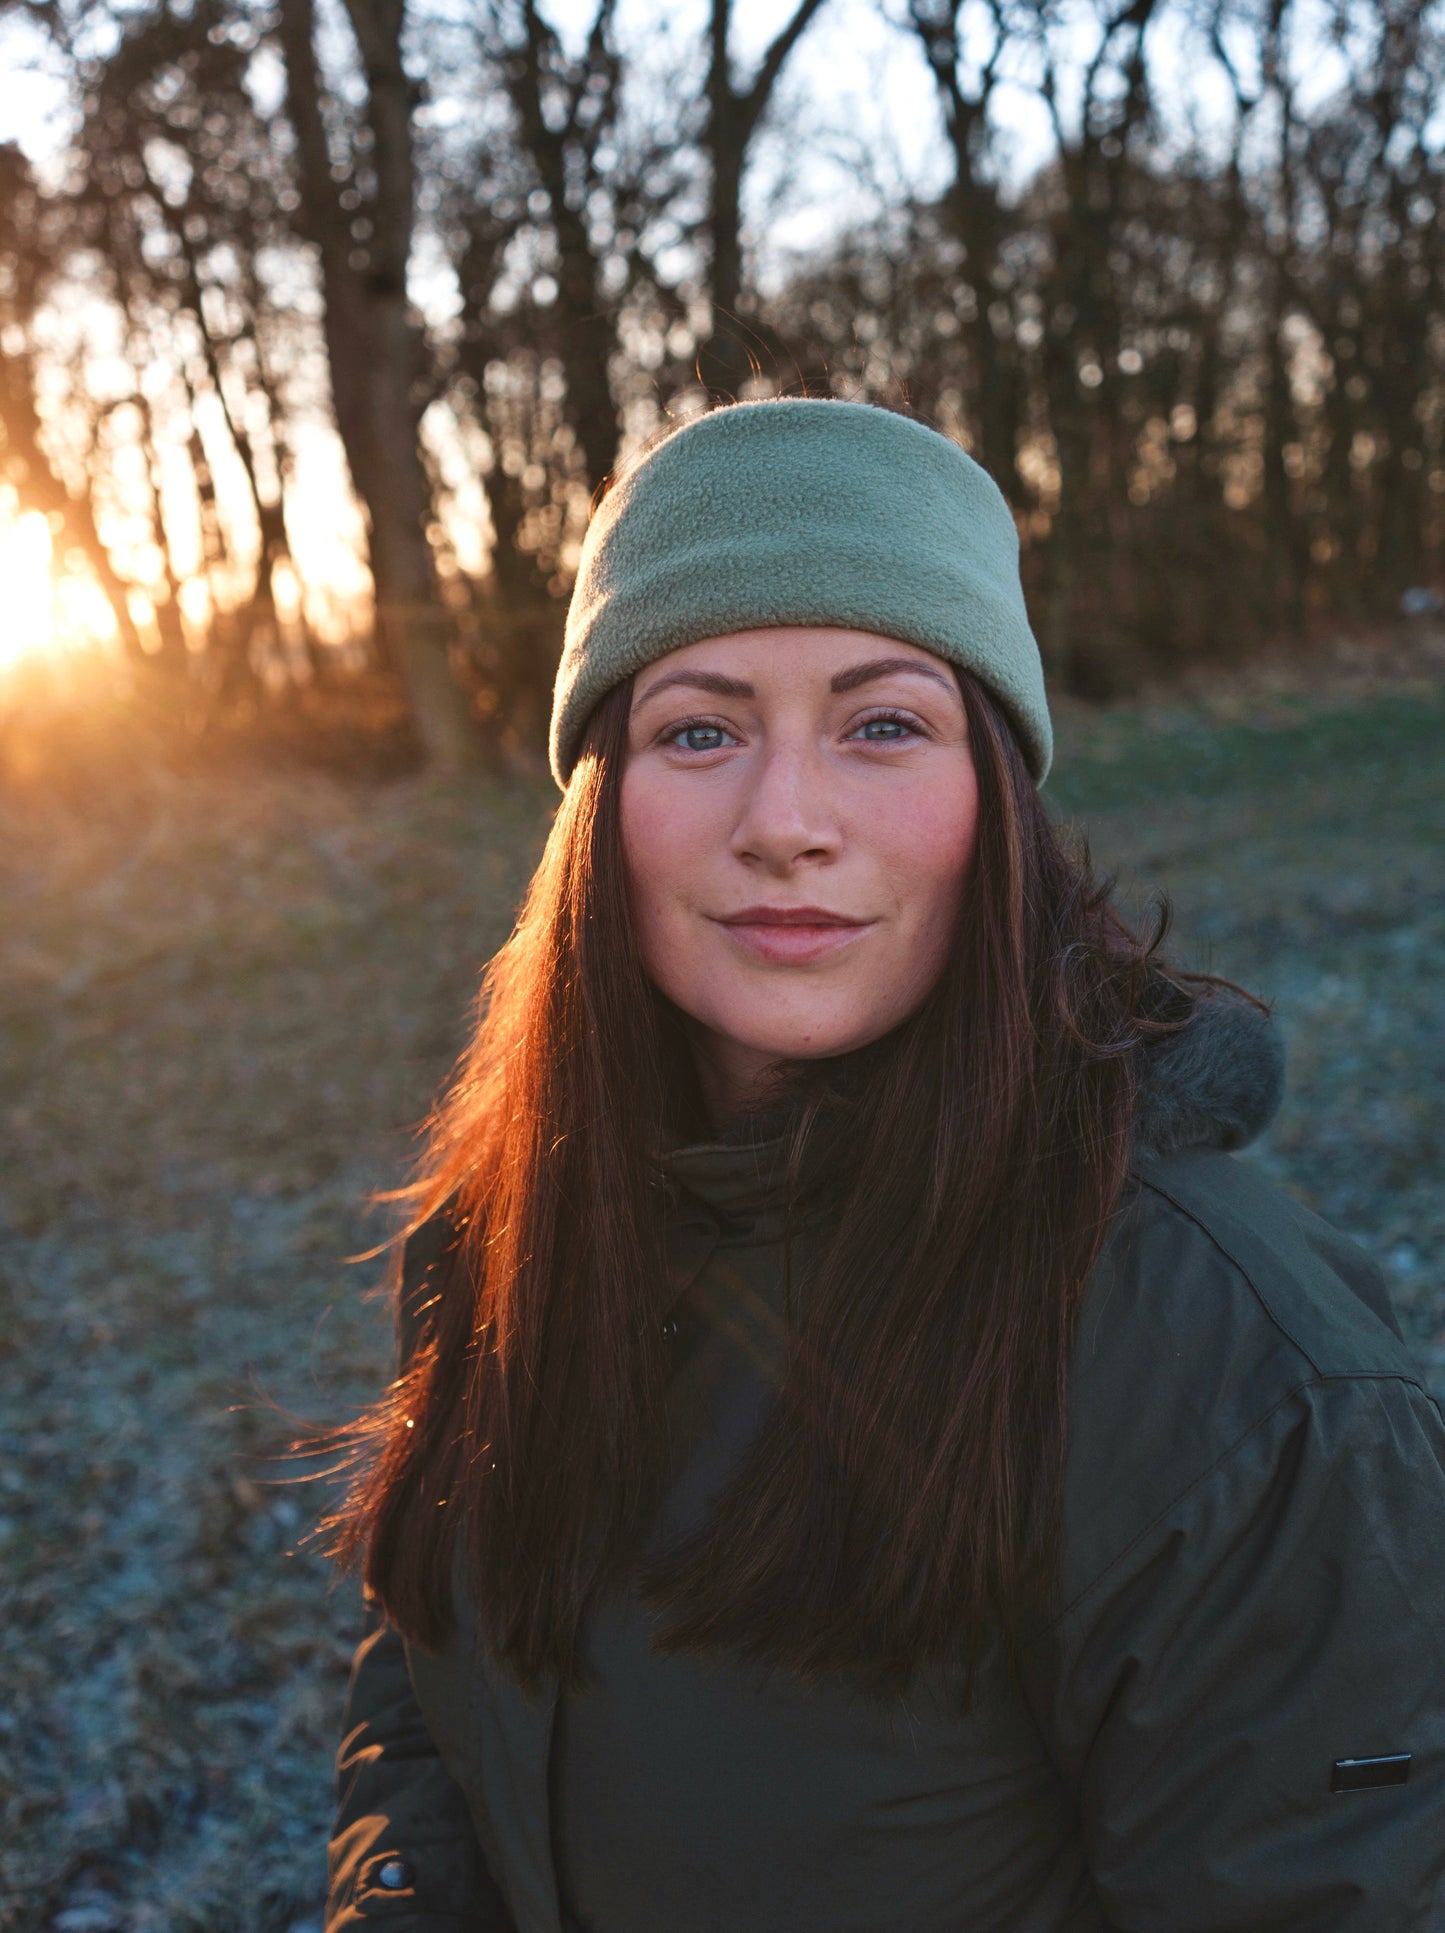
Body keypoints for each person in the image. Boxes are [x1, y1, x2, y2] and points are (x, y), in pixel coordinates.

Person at [323, 400, 1445, 1932]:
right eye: (699, 729)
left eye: (884, 723)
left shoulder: (1239, 1377)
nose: (785, 821)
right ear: (598, 815)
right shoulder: (504, 1232)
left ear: (999, 797)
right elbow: (425, 1682)